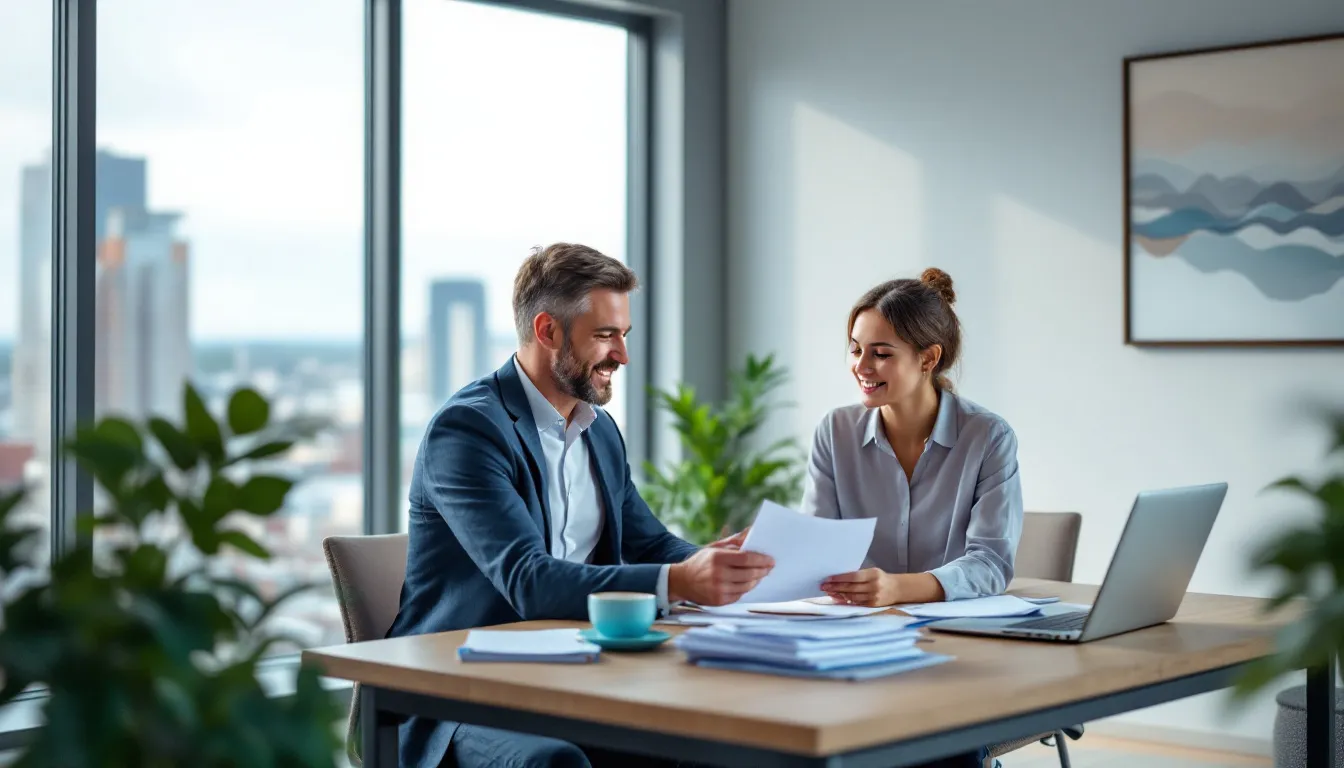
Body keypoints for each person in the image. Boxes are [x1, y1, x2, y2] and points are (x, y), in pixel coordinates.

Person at [387, 243, 774, 768]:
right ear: (548, 331)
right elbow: (529, 579)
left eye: (624, 335)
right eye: (605, 335)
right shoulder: (469, 430)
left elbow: (650, 542)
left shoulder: (599, 431)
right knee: (556, 762)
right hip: (464, 694)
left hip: (579, 674)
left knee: (717, 740)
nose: (622, 355)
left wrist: (726, 564)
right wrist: (682, 581)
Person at [803, 268, 1023, 768]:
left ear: (928, 358)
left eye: (881, 353)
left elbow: (991, 562)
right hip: (857, 646)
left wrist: (898, 588)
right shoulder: (834, 432)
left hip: (956, 656)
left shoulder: (987, 437)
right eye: (856, 348)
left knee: (937, 740)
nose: (862, 365)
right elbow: (817, 546)